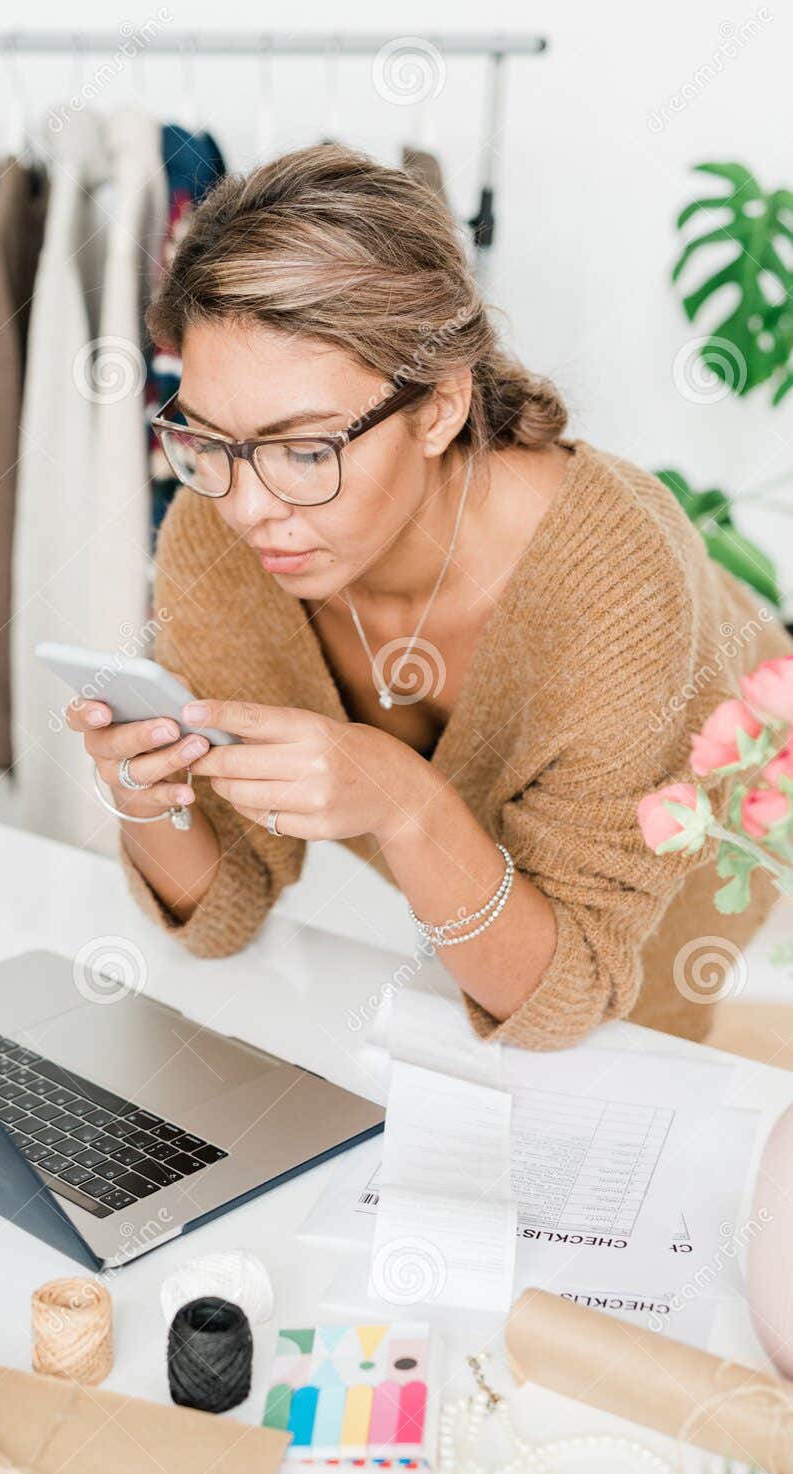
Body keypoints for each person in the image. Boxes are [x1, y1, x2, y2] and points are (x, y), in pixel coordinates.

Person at [69, 144, 793, 1051]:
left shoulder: (618, 589)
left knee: (620, 1073)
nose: (247, 508)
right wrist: (148, 797)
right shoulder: (216, 529)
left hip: (711, 782)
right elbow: (221, 916)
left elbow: (561, 1000)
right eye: (208, 439)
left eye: (303, 451)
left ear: (441, 408)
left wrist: (404, 804)